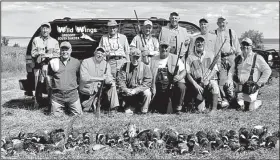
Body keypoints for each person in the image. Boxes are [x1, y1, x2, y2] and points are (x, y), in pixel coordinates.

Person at [232, 38, 271, 111]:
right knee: (238, 106)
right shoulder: (238, 58)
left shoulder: (257, 58)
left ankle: (258, 102)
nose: (245, 46)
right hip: (239, 86)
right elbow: (231, 71)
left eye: (247, 45)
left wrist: (258, 84)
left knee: (249, 108)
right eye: (243, 44)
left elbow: (268, 70)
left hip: (250, 88)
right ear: (241, 46)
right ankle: (239, 99)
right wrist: (229, 81)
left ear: (251, 46)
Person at [184, 36, 219, 114]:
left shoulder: (210, 55)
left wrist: (208, 79)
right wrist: (196, 85)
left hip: (208, 81)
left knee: (215, 86)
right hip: (197, 84)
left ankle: (214, 109)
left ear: (204, 43)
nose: (200, 43)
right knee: (200, 110)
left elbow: (215, 69)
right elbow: (187, 73)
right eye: (198, 42)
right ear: (195, 44)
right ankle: (202, 104)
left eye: (201, 42)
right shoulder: (190, 57)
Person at [150, 41, 186, 114]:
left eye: (166, 47)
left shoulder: (175, 58)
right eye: (162, 47)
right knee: (160, 109)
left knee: (181, 87)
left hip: (171, 84)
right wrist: (152, 86)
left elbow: (184, 71)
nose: (164, 49)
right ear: (159, 49)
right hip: (157, 86)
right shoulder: (153, 59)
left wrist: (179, 77)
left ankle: (178, 109)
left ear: (169, 49)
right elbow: (149, 74)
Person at [79, 47, 119, 112]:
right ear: (94, 53)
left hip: (99, 90)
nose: (100, 55)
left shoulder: (106, 64)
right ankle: (93, 104)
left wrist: (111, 81)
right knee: (85, 109)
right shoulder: (86, 62)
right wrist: (99, 79)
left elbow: (108, 77)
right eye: (98, 53)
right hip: (88, 92)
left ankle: (113, 108)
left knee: (113, 87)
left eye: (102, 54)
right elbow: (84, 78)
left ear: (104, 56)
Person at [48, 41, 82, 117]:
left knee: (78, 116)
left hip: (72, 95)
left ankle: (69, 106)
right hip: (57, 95)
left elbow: (79, 77)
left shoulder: (76, 62)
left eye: (67, 50)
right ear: (60, 51)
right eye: (63, 50)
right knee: (55, 116)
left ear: (71, 50)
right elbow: (49, 77)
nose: (64, 52)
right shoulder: (53, 62)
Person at [30, 22, 60, 108]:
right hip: (38, 66)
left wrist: (48, 55)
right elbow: (33, 52)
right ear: (41, 29)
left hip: (48, 67)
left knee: (49, 85)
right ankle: (37, 103)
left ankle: (50, 103)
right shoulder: (36, 40)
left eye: (47, 28)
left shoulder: (54, 41)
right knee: (37, 86)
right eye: (43, 28)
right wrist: (39, 53)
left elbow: (57, 54)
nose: (45, 30)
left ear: (50, 30)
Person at [214, 16, 242, 108]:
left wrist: (240, 60)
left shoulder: (231, 32)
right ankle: (225, 99)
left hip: (231, 57)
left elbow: (237, 46)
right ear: (217, 23)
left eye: (224, 22)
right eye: (220, 22)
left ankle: (234, 98)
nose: (222, 24)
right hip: (221, 58)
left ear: (226, 23)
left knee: (233, 79)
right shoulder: (214, 33)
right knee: (222, 79)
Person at [117, 48, 152, 114]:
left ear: (140, 57)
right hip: (128, 93)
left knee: (147, 92)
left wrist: (136, 90)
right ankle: (130, 107)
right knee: (128, 113)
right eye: (133, 57)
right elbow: (120, 80)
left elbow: (147, 82)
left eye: (137, 57)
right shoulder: (125, 66)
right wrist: (125, 89)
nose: (135, 59)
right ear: (130, 57)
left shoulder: (145, 67)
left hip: (139, 92)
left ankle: (144, 110)